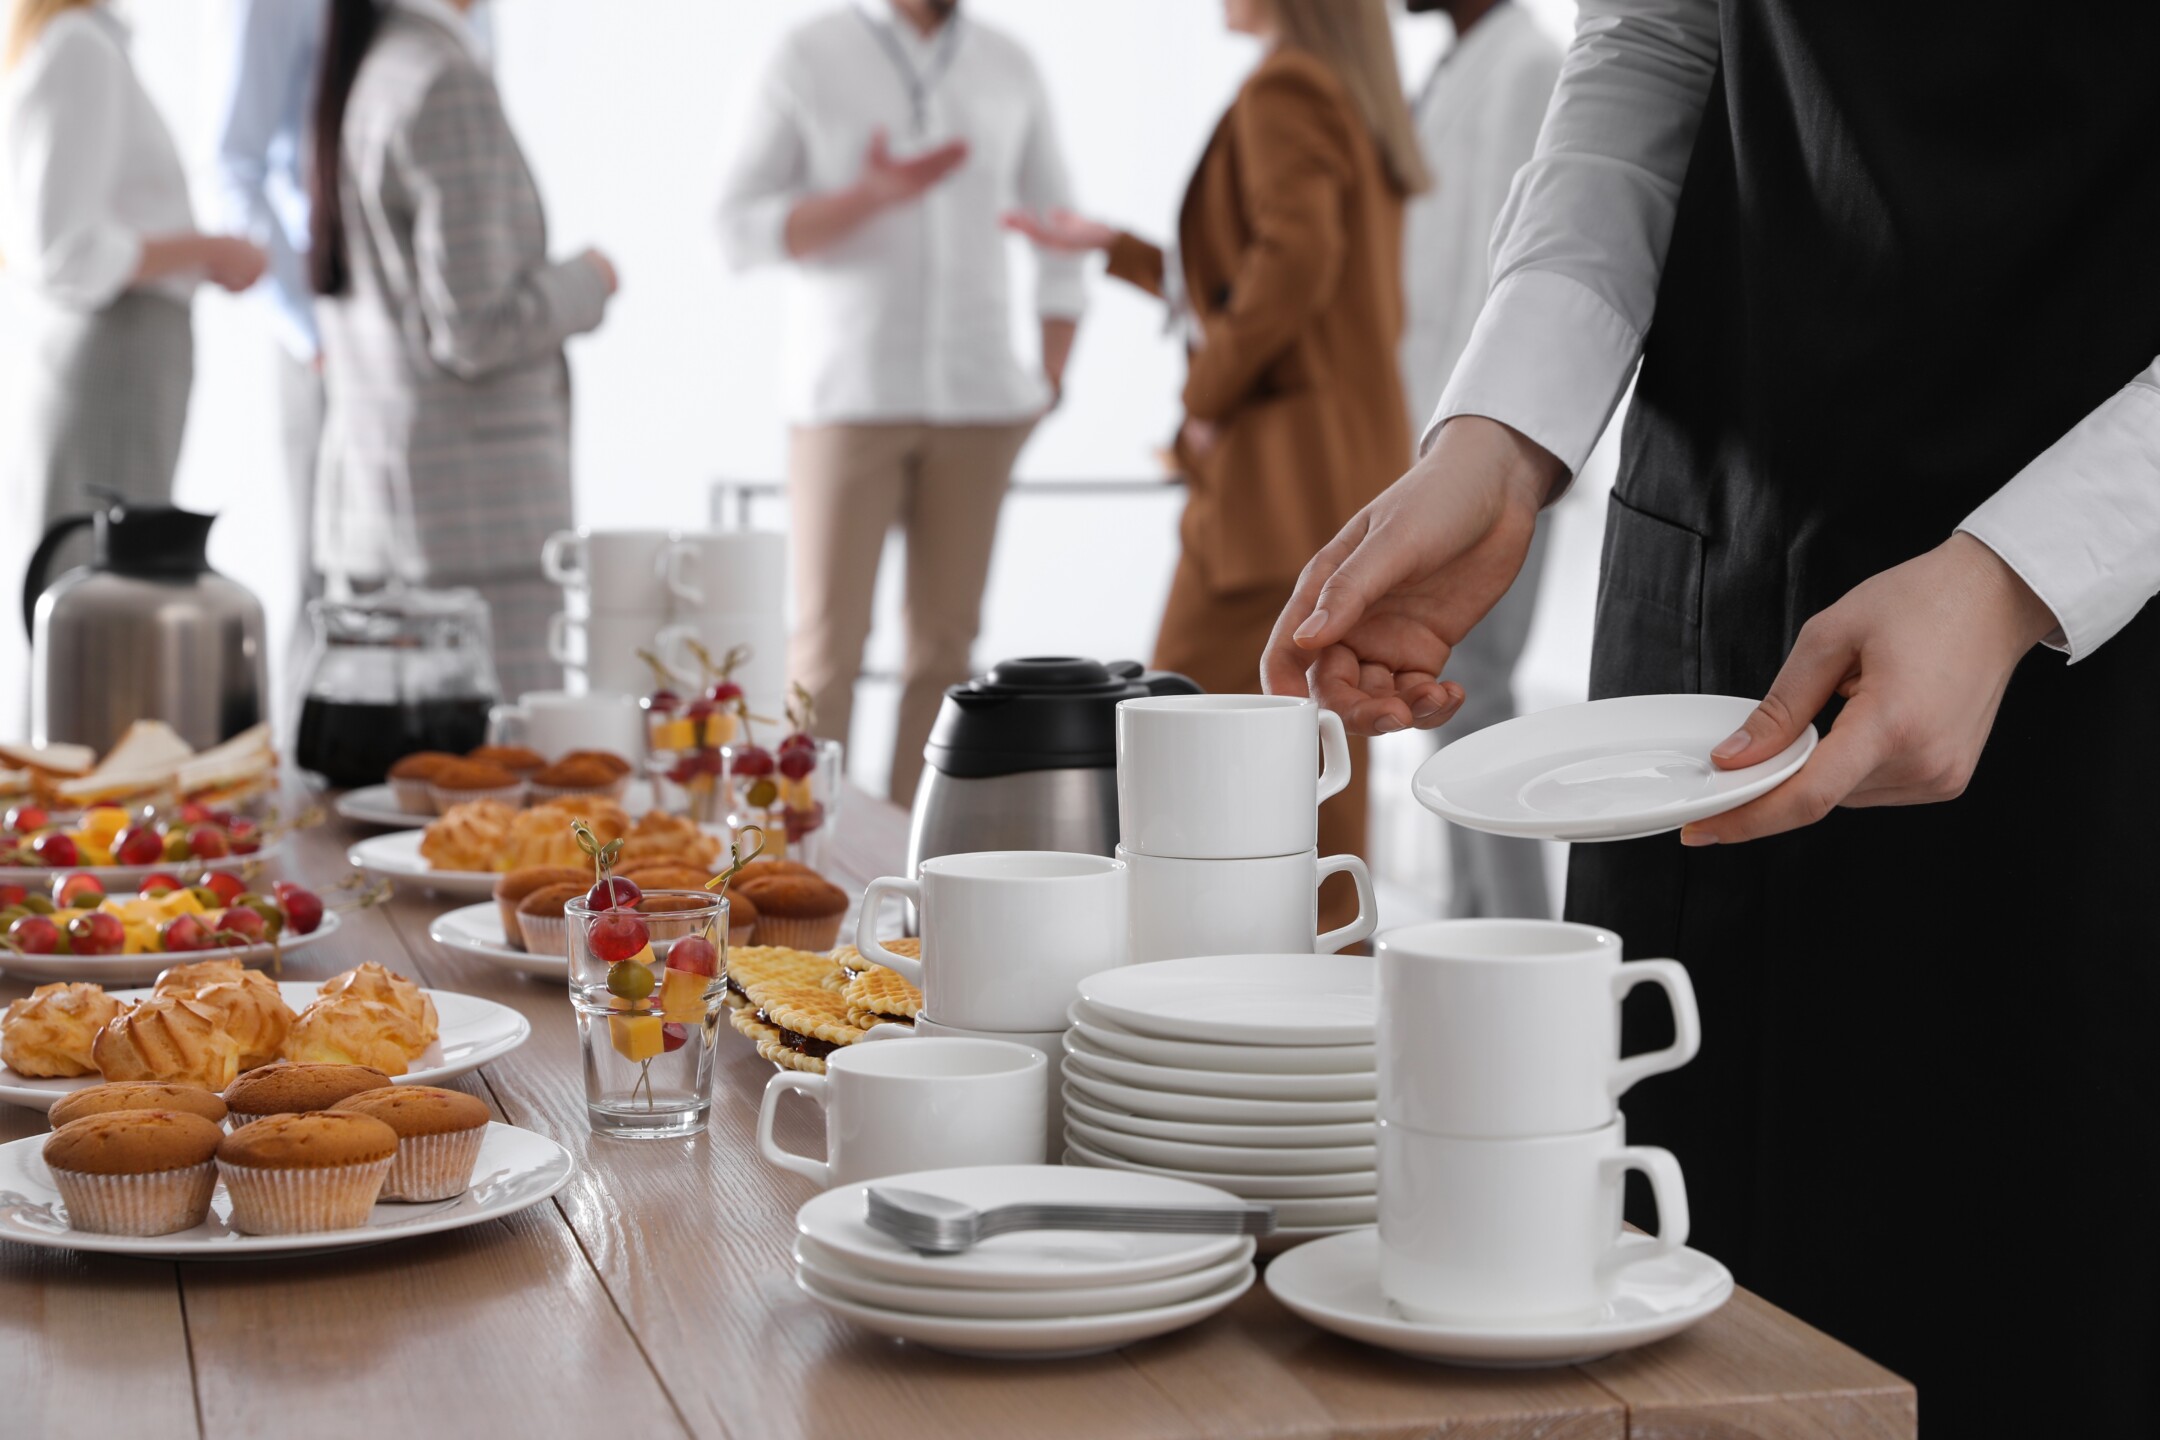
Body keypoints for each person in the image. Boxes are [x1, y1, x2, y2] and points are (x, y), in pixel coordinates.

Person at [1265, 0, 2160, 1429]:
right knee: (1664, 1302)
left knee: (2034, 1303)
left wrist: (2019, 579)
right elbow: (1657, 36)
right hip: (1721, 563)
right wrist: (1507, 431)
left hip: (2100, 636)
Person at [1005, 0, 1425, 930]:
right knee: (1318, 754)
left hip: (1277, 488)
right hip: (1340, 471)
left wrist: (1204, 404)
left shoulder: (1286, 86)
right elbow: (1253, 275)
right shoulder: (1345, 91)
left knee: (1176, 734)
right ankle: (1328, 1006)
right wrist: (1112, 249)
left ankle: (1205, 990)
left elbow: (1295, 261)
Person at [715, 0, 1084, 807]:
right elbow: (735, 228)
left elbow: (1060, 228)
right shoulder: (807, 54)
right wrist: (867, 196)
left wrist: (1050, 378)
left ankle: (916, 871)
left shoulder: (1008, 62)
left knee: (945, 652)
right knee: (824, 648)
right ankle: (805, 855)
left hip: (982, 403)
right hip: (849, 397)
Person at [309, 0, 614, 700]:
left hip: (379, 506)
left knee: (405, 793)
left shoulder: (374, 66)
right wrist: (588, 282)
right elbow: (475, 328)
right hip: (476, 521)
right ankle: (580, 827)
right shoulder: (444, 79)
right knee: (531, 789)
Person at [0, 0, 265, 575]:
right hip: (116, 356)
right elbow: (68, 249)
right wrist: (207, 250)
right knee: (98, 594)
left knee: (96, 595)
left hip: (119, 357)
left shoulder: (80, 43)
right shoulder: (80, 46)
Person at [1400, 0, 1560, 921]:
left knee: (1471, 695)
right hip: (1437, 448)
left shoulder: (1527, 65)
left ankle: (1517, 935)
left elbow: (1508, 281)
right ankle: (1469, 931)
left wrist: (1456, 447)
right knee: (1444, 698)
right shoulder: (1457, 66)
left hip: (1489, 446)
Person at [213, 0, 326, 697]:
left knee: (444, 609)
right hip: (327, 343)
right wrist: (313, 332)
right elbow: (235, 166)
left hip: (435, 355)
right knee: (331, 592)